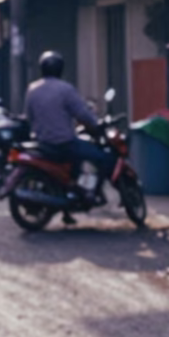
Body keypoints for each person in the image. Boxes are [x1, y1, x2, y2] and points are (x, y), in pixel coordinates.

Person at [24, 50, 115, 225]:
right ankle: (90, 193)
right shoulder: (65, 89)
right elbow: (82, 113)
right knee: (101, 157)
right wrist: (96, 125)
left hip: (42, 143)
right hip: (64, 143)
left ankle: (69, 205)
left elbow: (29, 116)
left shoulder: (32, 89)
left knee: (74, 165)